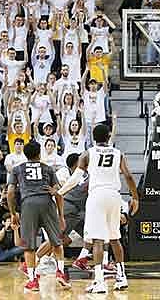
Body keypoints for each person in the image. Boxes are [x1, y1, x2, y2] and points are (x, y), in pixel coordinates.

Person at [58, 124, 139, 294]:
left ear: (93, 138)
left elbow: (75, 179)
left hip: (97, 196)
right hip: (114, 196)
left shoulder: (87, 154)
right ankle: (122, 277)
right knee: (115, 238)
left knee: (97, 240)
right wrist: (135, 197)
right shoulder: (118, 153)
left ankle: (99, 281)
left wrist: (60, 192)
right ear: (109, 137)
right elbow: (129, 176)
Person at [7, 141, 70, 292]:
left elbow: (9, 192)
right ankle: (60, 272)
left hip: (28, 204)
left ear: (25, 154)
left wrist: (12, 213)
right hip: (47, 203)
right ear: (39, 153)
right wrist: (61, 216)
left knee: (29, 246)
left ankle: (32, 280)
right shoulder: (48, 168)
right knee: (56, 241)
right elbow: (58, 193)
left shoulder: (17, 169)